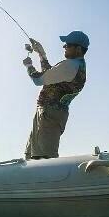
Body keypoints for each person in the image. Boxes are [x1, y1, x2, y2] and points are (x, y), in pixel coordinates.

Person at [22, 30, 89, 160]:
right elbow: (50, 75)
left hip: (49, 115)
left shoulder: (70, 65)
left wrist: (29, 66)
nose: (64, 47)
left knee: (43, 159)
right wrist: (41, 54)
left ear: (79, 49)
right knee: (32, 157)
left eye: (68, 45)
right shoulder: (76, 65)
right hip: (49, 114)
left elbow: (39, 79)